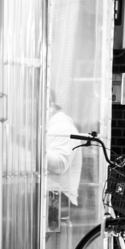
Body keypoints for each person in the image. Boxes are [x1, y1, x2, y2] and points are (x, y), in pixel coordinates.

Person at [45, 89, 82, 231]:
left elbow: (59, 165)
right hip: (52, 193)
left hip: (59, 197)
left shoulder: (62, 127)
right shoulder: (51, 126)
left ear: (51, 106)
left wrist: (33, 148)